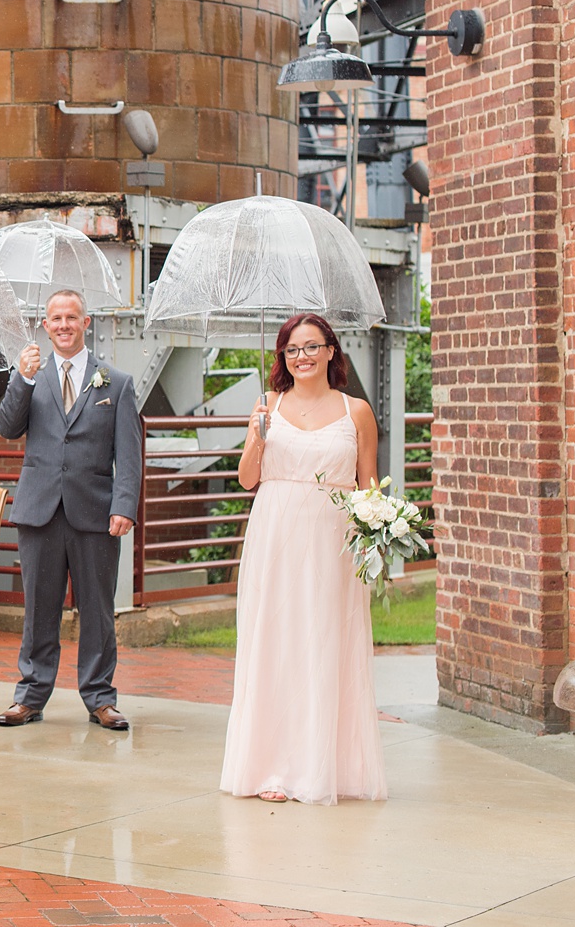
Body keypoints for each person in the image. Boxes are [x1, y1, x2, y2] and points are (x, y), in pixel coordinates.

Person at [221, 313, 387, 805]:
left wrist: (376, 535)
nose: (303, 357)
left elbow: (370, 485)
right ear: (283, 358)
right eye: (293, 350)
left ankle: (322, 768)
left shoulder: (356, 411)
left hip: (331, 541)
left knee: (322, 643)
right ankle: (271, 767)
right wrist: (257, 434)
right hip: (274, 536)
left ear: (332, 351)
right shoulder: (267, 405)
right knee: (274, 641)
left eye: (312, 347)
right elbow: (246, 479)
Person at [0, 289, 144, 732]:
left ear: (86, 322)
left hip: (95, 512)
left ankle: (100, 698)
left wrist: (124, 506)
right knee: (39, 608)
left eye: (71, 318)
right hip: (39, 509)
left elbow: (129, 455)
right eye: (56, 318)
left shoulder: (115, 383)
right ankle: (30, 696)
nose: (63, 325)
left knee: (97, 608)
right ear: (46, 324)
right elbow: (6, 428)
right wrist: (20, 379)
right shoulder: (30, 375)